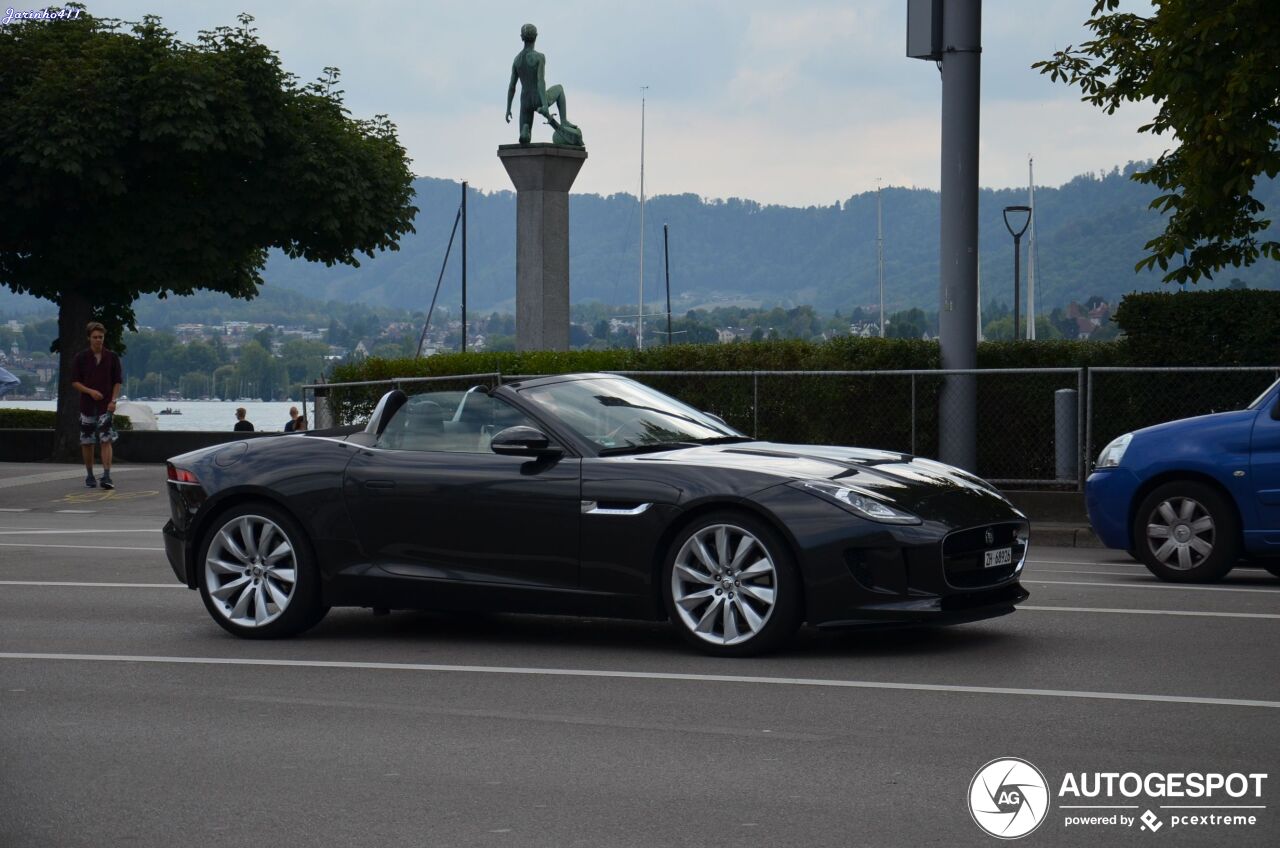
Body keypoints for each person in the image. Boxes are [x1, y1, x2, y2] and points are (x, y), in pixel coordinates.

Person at [505, 23, 583, 146]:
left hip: (525, 101)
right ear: (536, 37)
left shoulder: (517, 60)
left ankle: (525, 130)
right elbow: (541, 81)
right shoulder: (539, 57)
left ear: (522, 38)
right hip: (538, 98)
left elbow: (511, 87)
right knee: (560, 89)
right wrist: (545, 105)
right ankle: (564, 121)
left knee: (525, 136)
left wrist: (508, 108)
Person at [69, 321, 123, 489]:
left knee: (106, 439)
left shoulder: (112, 357)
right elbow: (75, 382)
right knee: (87, 441)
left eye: (101, 337)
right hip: (87, 404)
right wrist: (89, 391)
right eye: (95, 337)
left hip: (105, 405)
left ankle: (106, 475)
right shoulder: (81, 358)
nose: (98, 340)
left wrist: (113, 401)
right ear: (89, 338)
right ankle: (90, 474)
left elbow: (117, 381)